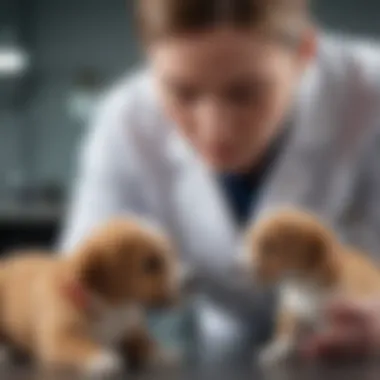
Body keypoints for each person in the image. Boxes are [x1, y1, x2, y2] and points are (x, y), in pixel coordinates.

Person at [60, 0, 380, 365]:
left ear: (305, 52)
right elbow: (77, 286)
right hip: (225, 351)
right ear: (148, 58)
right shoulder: (125, 122)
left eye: (246, 94)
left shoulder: (371, 93)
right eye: (183, 93)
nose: (216, 130)